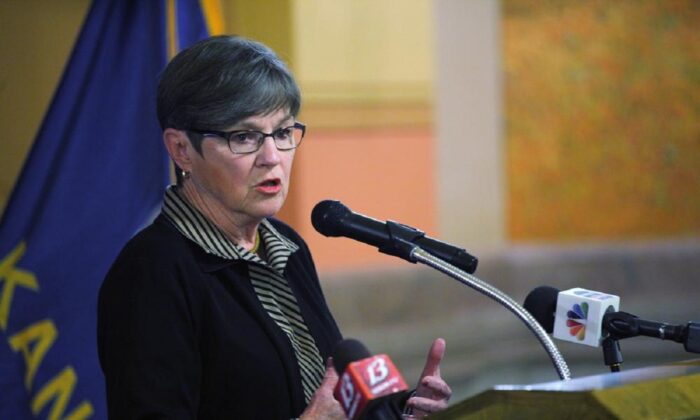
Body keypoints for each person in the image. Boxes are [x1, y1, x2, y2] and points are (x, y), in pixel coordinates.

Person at [97, 35, 451, 419]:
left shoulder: (286, 246)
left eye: (283, 133)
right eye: (244, 137)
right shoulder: (152, 273)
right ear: (182, 149)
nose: (272, 158)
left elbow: (326, 395)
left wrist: (402, 410)